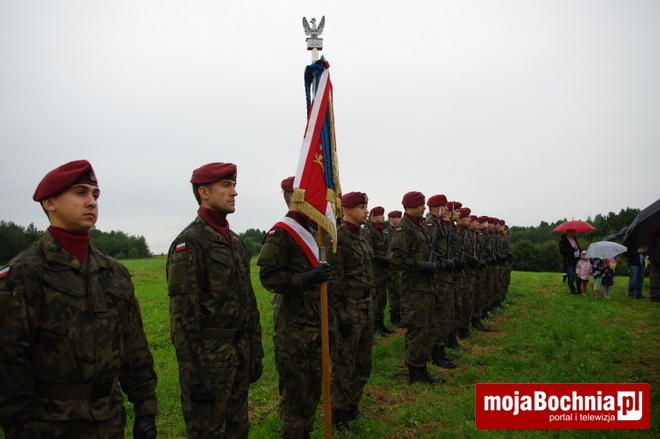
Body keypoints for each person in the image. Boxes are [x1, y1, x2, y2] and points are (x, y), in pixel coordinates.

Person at [0, 160, 158, 438]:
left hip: (109, 418)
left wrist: (145, 408)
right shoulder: (25, 272)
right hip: (50, 423)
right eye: (80, 193)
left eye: (95, 195)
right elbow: (9, 357)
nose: (92, 202)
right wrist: (20, 426)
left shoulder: (113, 270)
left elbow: (134, 344)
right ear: (50, 202)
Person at [166, 162, 264, 439]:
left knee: (238, 429)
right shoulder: (191, 243)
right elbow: (182, 316)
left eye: (234, 185)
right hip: (209, 359)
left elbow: (249, 302)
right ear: (204, 192)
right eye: (226, 185)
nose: (234, 192)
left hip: (239, 353)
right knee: (207, 432)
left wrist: (255, 350)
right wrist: (194, 374)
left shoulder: (235, 242)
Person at [256, 177, 331, 439]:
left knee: (313, 381)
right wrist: (306, 278)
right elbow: (269, 278)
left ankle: (305, 430)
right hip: (293, 323)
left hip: (316, 317)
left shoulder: (313, 231)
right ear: (296, 196)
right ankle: (292, 433)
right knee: (295, 385)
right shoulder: (282, 232)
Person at [326, 192, 375, 434]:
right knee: (344, 365)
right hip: (349, 308)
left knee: (363, 363)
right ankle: (339, 414)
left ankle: (353, 405)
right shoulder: (338, 238)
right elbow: (335, 280)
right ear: (347, 210)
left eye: (366, 206)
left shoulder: (360, 237)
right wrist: (341, 315)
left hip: (366, 306)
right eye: (362, 207)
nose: (366, 211)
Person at [389, 191, 445, 385]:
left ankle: (422, 369)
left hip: (425, 286)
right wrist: (422, 266)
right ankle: (415, 372)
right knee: (417, 331)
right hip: (413, 289)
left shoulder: (418, 226)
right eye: (420, 204)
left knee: (427, 329)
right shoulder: (404, 228)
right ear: (409, 206)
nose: (423, 208)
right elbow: (396, 258)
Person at [364, 206, 393, 336]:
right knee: (375, 298)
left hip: (382, 271)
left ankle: (381, 324)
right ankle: (375, 326)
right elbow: (370, 252)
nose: (382, 217)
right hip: (375, 270)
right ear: (374, 216)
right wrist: (382, 259)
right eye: (380, 215)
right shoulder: (370, 231)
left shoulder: (379, 231)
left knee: (382, 298)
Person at [384, 210, 404, 328]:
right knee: (393, 293)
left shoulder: (399, 231)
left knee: (400, 292)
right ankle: (394, 317)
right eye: (398, 217)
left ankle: (401, 316)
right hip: (390, 267)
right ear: (391, 219)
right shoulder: (386, 233)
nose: (400, 219)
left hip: (399, 267)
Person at [559, 229, 581, 295]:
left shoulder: (574, 239)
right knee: (571, 276)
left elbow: (578, 248)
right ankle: (572, 290)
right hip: (569, 261)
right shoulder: (563, 241)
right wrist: (573, 249)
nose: (575, 233)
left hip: (577, 259)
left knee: (578, 275)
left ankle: (579, 289)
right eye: (573, 231)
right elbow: (562, 251)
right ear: (569, 232)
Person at [649, 228, 660, 303]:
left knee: (655, 278)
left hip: (654, 258)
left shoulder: (655, 232)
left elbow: (651, 248)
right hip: (655, 258)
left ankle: (654, 296)